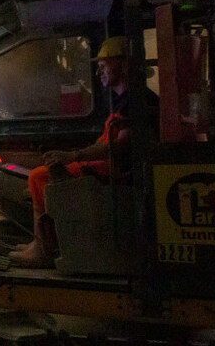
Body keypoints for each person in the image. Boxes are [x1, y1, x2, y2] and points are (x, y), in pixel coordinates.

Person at [8, 36, 137, 268]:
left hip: (112, 172)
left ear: (122, 64)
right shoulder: (121, 100)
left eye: (103, 66)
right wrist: (68, 154)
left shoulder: (135, 103)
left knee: (39, 177)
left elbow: (119, 146)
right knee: (43, 172)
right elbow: (106, 140)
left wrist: (74, 157)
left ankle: (43, 249)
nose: (100, 73)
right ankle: (40, 243)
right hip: (104, 164)